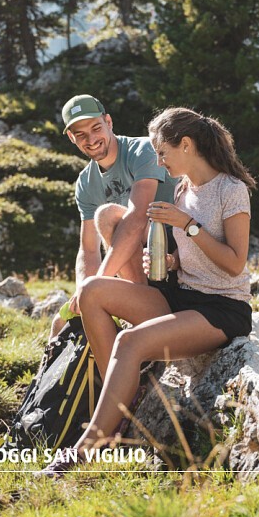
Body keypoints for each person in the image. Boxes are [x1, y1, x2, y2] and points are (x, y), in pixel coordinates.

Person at [40, 106, 256, 476]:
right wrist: (171, 263)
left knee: (129, 343)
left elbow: (235, 263)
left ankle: (89, 446)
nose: (158, 160)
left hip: (221, 309)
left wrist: (187, 226)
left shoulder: (231, 190)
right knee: (92, 291)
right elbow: (186, 256)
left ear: (186, 145)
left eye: (162, 152)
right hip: (179, 296)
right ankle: (124, 396)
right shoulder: (184, 190)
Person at [49, 94, 176, 340]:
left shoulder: (143, 150)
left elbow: (138, 216)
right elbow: (88, 249)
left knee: (108, 216)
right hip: (135, 265)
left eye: (96, 128)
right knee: (59, 324)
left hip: (173, 257)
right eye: (81, 134)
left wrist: (95, 287)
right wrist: (81, 293)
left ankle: (146, 309)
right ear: (71, 138)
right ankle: (138, 307)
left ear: (109, 122)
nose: (91, 139)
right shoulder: (86, 183)